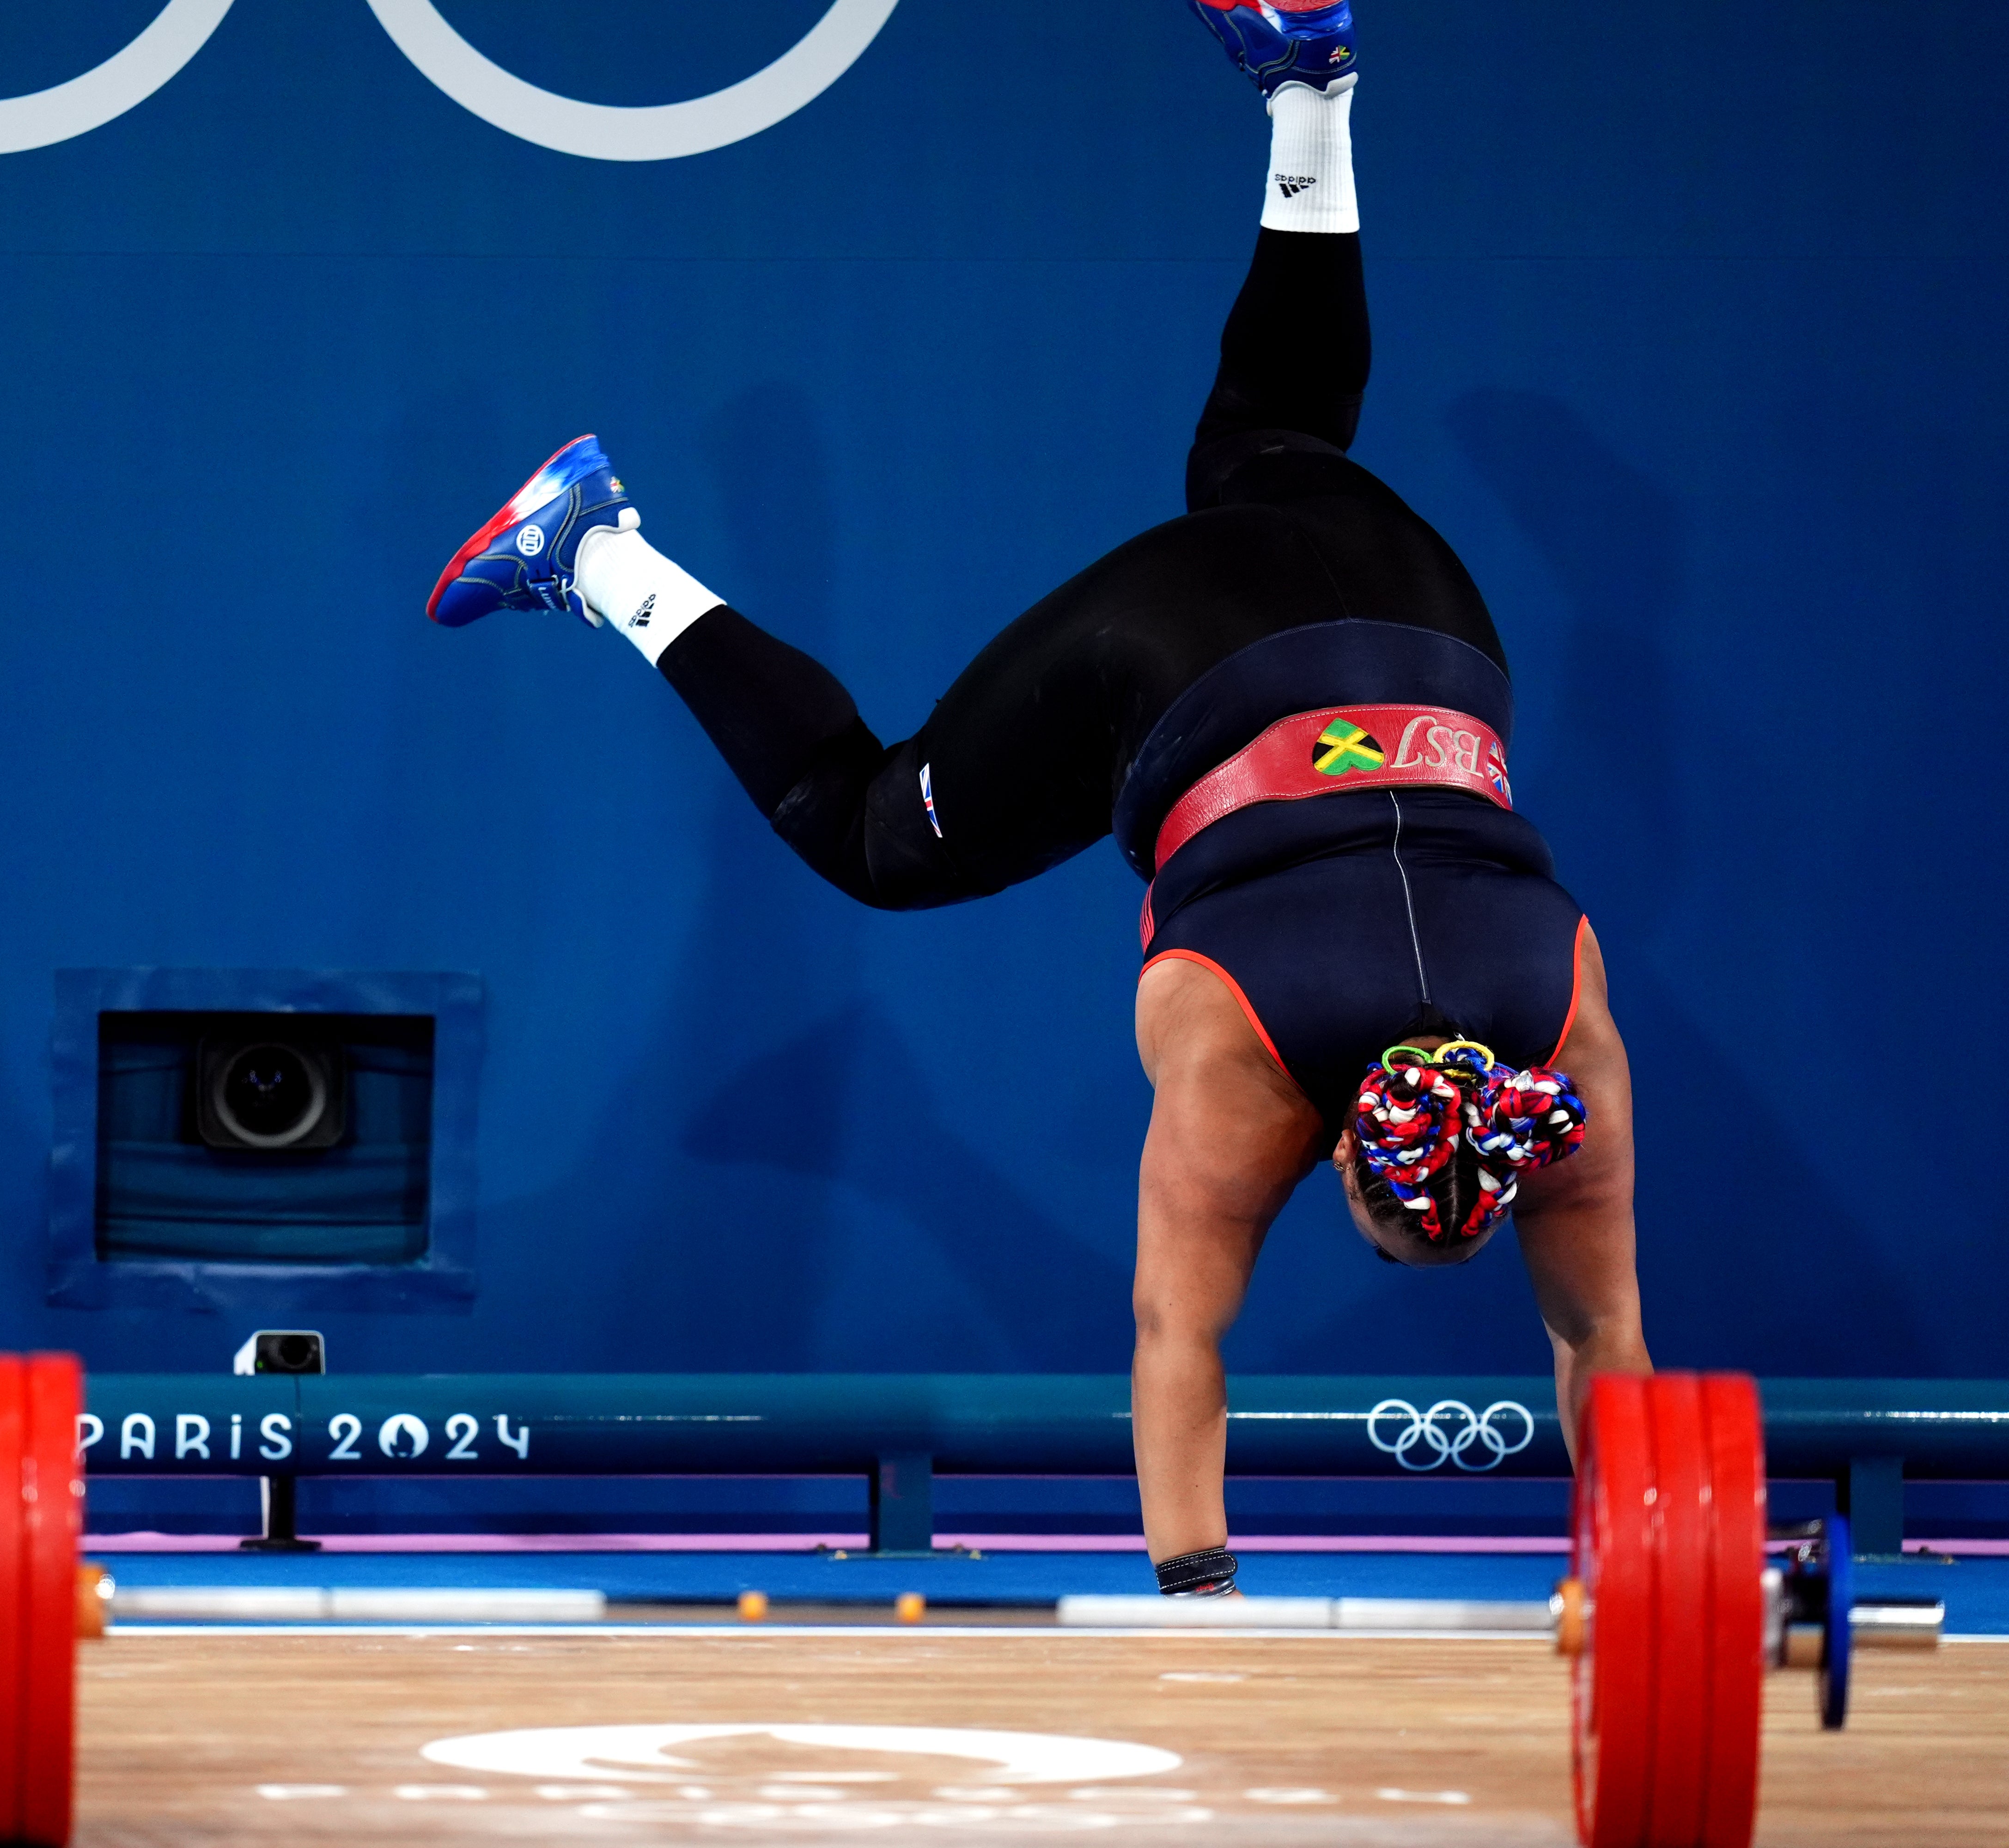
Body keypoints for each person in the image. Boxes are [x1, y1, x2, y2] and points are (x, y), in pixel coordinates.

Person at [422, 0, 1650, 1598]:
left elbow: (1605, 1335)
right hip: (1190, 657)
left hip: (1423, 623)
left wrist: (1639, 1581)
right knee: (864, 828)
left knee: (1268, 440)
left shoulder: (1570, 1043)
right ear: (1340, 1153)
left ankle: (1314, 88)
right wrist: (1200, 1610)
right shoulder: (1244, 1078)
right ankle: (589, 545)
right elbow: (1180, 1340)